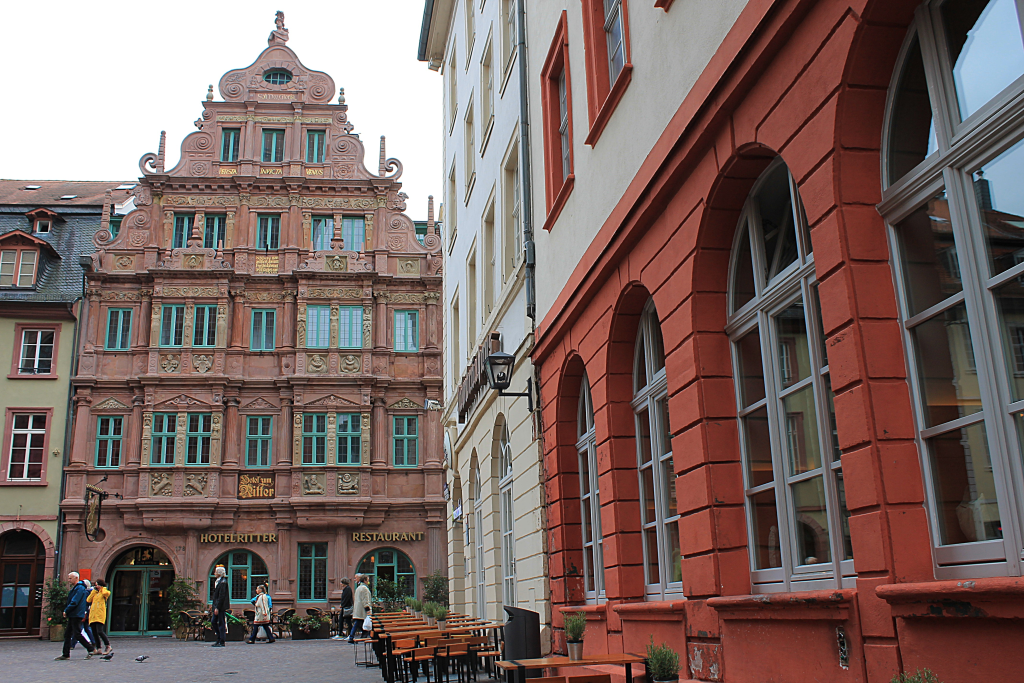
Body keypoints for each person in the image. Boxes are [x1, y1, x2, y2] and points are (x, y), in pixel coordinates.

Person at [54, 572, 95, 661]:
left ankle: (90, 648)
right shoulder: (78, 588)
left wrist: (66, 610)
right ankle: (66, 654)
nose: (69, 580)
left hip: (76, 614)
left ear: (76, 578)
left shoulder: (79, 588)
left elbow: (75, 601)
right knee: (68, 634)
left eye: (70, 578)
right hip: (74, 614)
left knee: (76, 633)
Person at [87, 579, 112, 655]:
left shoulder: (105, 592)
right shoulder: (95, 593)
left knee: (100, 631)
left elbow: (106, 593)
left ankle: (108, 646)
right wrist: (94, 591)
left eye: (97, 585)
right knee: (94, 632)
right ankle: (99, 648)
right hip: (93, 615)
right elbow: (88, 600)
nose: (96, 586)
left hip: (100, 615)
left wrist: (103, 588)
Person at [348, 573, 371, 643]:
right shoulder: (364, 588)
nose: (368, 581)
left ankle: (361, 636)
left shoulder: (359, 588)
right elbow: (365, 599)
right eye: (367, 580)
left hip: (359, 610)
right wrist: (367, 609)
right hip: (362, 611)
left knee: (360, 624)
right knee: (362, 623)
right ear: (364, 580)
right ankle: (351, 637)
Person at [210, 565, 230, 647]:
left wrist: (217, 607)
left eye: (216, 571)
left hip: (220, 607)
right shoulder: (219, 581)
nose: (214, 573)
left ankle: (221, 640)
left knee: (221, 623)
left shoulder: (222, 582)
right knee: (214, 622)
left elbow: (221, 596)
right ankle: (219, 639)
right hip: (217, 606)